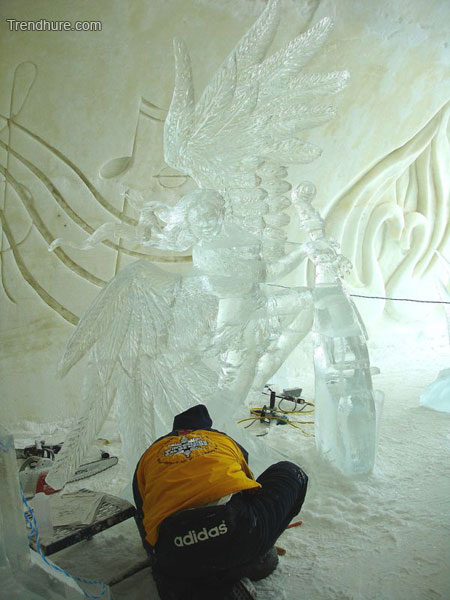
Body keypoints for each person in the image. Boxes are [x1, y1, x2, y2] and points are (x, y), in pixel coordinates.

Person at [133, 404, 308, 600]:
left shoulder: (151, 453)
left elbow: (142, 514)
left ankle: (196, 584)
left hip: (175, 542)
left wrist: (160, 557)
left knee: (180, 566)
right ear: (205, 427)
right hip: (232, 526)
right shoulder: (221, 439)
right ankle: (246, 562)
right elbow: (248, 490)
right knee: (291, 472)